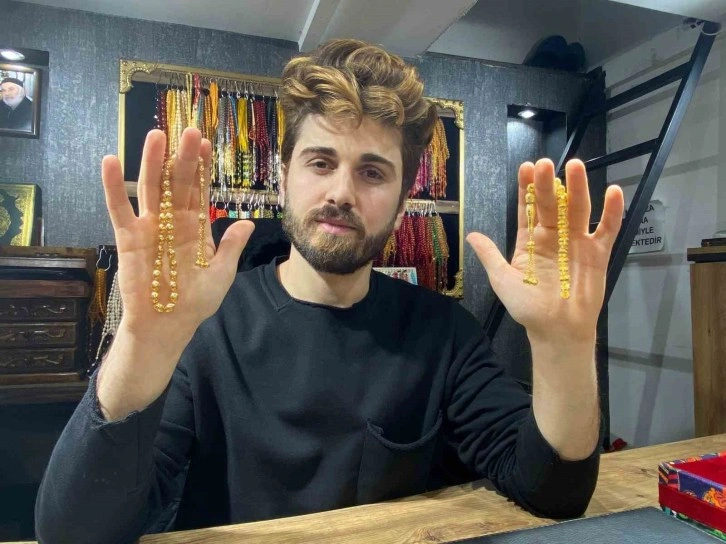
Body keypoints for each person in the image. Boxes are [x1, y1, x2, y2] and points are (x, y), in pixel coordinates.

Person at [35, 39, 624, 543]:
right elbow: (73, 533)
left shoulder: (444, 334)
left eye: (372, 172)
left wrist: (564, 346)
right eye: (320, 162)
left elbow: (554, 493)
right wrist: (142, 342)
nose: (341, 192)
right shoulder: (205, 326)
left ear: (402, 200)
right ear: (283, 177)